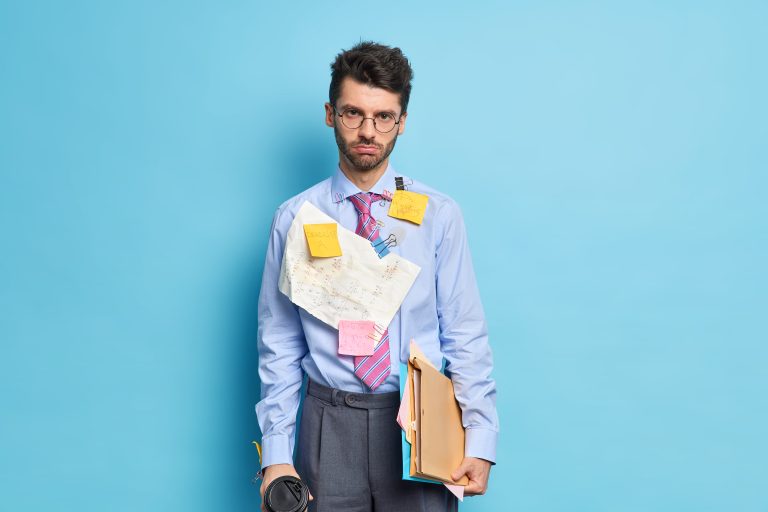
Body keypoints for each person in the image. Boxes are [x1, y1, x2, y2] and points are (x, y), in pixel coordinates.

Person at [256, 41, 498, 512]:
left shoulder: (438, 216)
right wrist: (276, 455)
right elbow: (280, 344)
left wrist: (481, 437)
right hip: (328, 422)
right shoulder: (294, 219)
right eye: (353, 113)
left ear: (402, 120)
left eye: (384, 116)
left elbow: (465, 333)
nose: (368, 131)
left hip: (418, 424)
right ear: (330, 114)